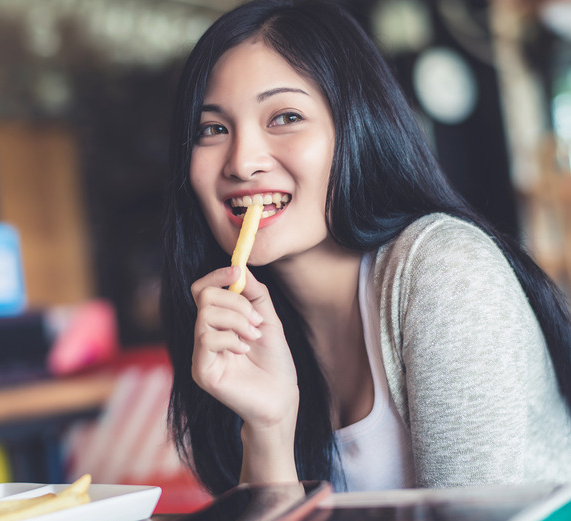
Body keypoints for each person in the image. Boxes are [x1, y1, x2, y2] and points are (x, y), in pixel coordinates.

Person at [160, 0, 571, 495]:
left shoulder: (443, 270)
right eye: (213, 129)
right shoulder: (234, 328)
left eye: (285, 117)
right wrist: (268, 428)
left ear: (359, 128)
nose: (243, 161)